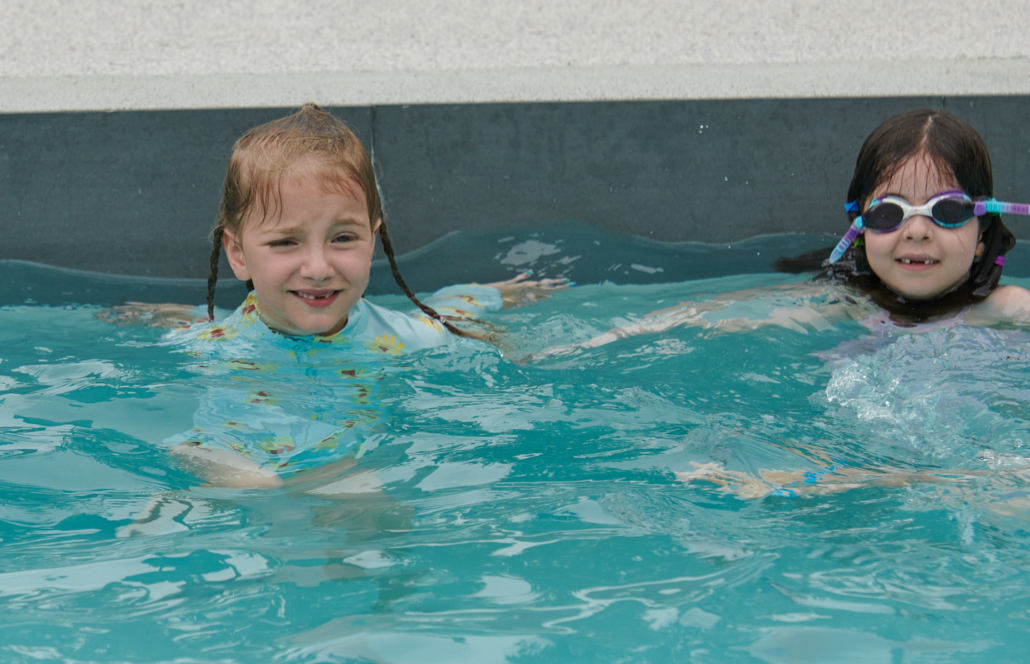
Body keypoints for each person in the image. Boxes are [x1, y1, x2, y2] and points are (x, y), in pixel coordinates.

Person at [148, 103, 563, 489]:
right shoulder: (212, 344)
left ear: (372, 240)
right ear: (239, 255)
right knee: (211, 460)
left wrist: (510, 332)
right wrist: (159, 316)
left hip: (344, 470)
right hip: (239, 456)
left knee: (358, 493)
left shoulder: (401, 337)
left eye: (343, 238)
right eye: (285, 242)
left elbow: (459, 326)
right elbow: (184, 338)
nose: (318, 268)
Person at [553, 109, 1030, 353]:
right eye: (889, 213)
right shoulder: (848, 304)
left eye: (946, 210)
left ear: (982, 235)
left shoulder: (1005, 309)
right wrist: (590, 342)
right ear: (860, 230)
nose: (917, 231)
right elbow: (712, 317)